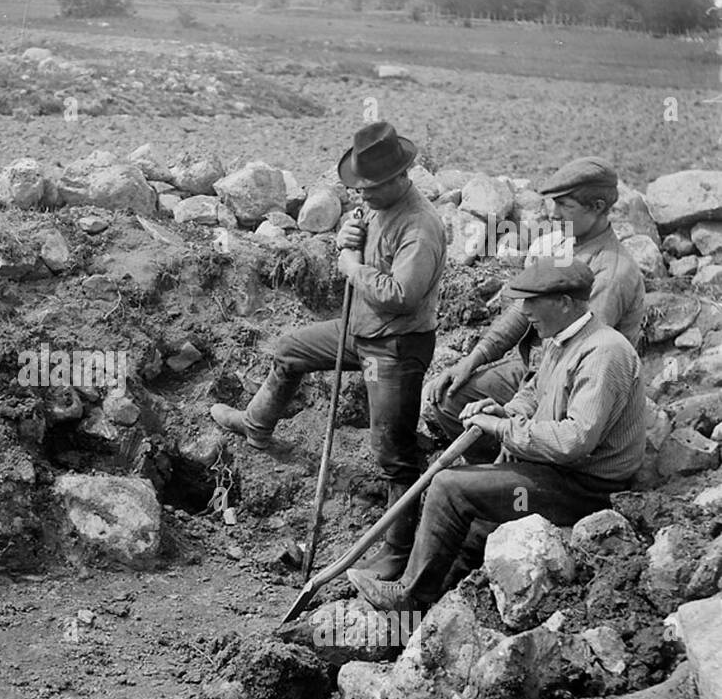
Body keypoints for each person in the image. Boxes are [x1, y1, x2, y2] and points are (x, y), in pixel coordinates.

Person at [210, 121, 446, 579]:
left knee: (392, 454)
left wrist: (351, 265)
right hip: (361, 329)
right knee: (289, 349)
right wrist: (349, 239)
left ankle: (398, 554)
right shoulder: (378, 207)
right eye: (357, 189)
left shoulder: (421, 227)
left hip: (395, 346)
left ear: (402, 177)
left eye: (370, 190)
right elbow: (363, 249)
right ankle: (257, 425)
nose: (362, 197)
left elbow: (402, 293)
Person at [346, 259, 645, 613]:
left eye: (533, 301)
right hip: (556, 470)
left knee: (448, 486)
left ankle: (409, 596)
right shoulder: (561, 338)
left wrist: (503, 429)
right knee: (475, 521)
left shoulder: (603, 352)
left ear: (565, 302)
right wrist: (508, 411)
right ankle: (432, 609)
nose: (525, 310)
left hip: (586, 487)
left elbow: (573, 442)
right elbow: (534, 391)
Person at [424, 156, 644, 464]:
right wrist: (472, 360)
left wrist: (511, 426)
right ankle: (495, 476)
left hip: (577, 384)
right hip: (539, 370)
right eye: (553, 203)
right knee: (450, 401)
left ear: (596, 207)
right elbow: (521, 311)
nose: (553, 214)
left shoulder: (612, 273)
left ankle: (519, 477)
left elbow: (578, 353)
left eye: (565, 205)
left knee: (512, 438)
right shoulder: (563, 245)